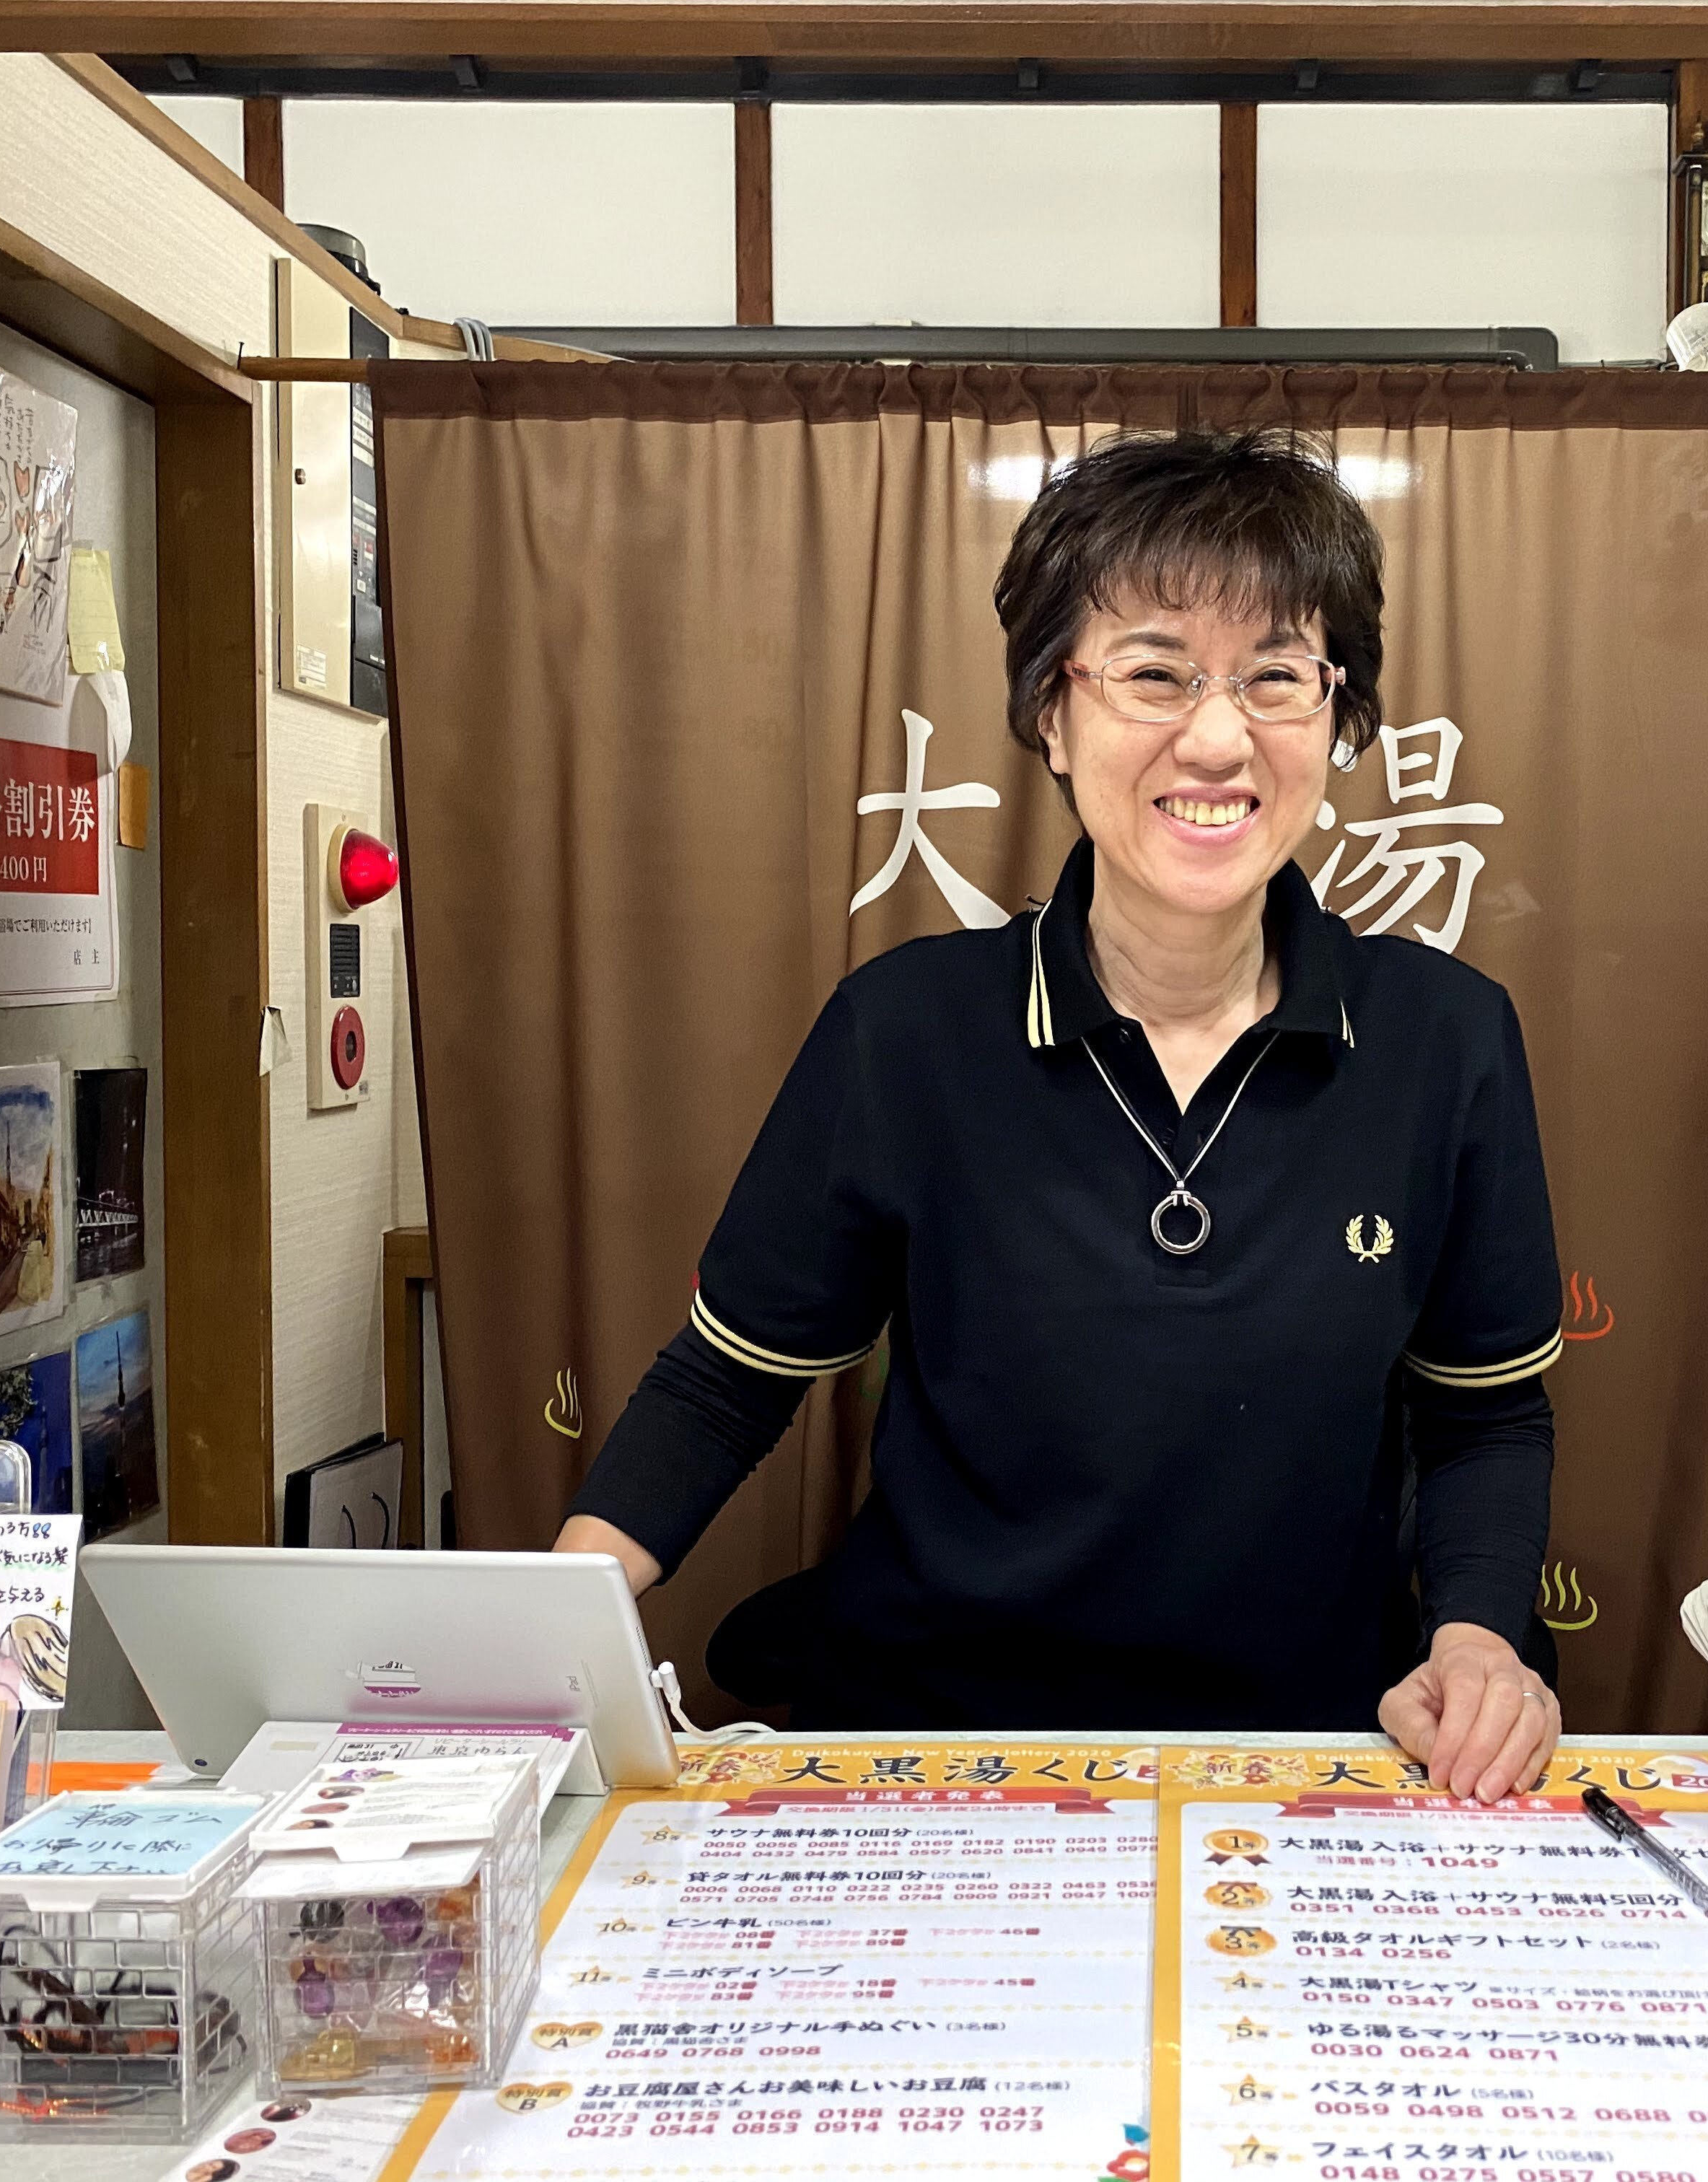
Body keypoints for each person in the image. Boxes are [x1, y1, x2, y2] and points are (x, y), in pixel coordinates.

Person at [558, 427, 1565, 1801]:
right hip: (932, 1755)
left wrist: (1478, 1640)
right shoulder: (907, 1030)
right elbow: (728, 1380)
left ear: (1338, 717)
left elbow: (1487, 1416)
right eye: (1154, 673)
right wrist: (547, 1638)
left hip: (1302, 1758)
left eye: (1277, 676)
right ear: (1052, 710)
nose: (1219, 737)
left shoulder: (1446, 1039)